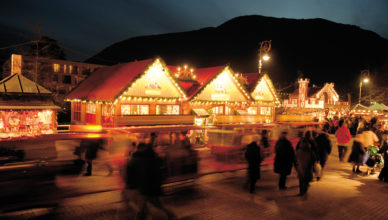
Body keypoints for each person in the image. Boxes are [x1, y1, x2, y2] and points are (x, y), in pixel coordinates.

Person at [125, 139, 176, 219]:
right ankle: (170, 215)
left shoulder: (136, 159)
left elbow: (132, 174)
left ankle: (170, 215)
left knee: (148, 206)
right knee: (153, 206)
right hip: (151, 188)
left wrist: (131, 185)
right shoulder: (152, 159)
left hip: (144, 189)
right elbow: (159, 173)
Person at [295, 131, 318, 197]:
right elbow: (314, 159)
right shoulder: (310, 151)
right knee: (306, 180)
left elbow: (295, 158)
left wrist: (296, 166)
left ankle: (301, 191)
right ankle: (304, 190)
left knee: (301, 180)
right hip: (308, 168)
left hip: (300, 168)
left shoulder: (299, 151)